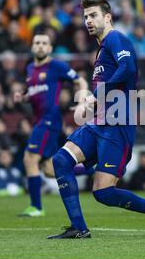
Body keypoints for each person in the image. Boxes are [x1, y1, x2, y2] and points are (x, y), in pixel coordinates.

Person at [47, 0, 145, 239]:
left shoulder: (115, 38)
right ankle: (78, 228)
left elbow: (129, 68)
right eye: (86, 17)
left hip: (118, 124)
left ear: (108, 17)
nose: (88, 20)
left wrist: (98, 95)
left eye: (94, 16)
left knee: (103, 193)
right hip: (99, 121)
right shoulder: (102, 49)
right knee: (60, 160)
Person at [13, 33, 89, 217]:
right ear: (32, 47)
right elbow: (35, 93)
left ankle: (36, 207)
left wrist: (82, 100)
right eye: (37, 42)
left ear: (49, 48)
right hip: (39, 121)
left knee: (30, 159)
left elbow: (80, 80)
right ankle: (92, 168)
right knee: (49, 170)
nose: (40, 46)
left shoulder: (56, 66)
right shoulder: (30, 69)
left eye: (44, 43)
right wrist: (23, 97)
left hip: (50, 119)